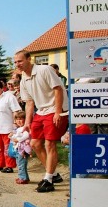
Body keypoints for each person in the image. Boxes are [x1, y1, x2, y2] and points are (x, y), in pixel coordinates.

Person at [14, 50, 68, 193]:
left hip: (56, 109)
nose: (17, 64)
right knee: (34, 143)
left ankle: (48, 179)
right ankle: (54, 174)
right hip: (41, 111)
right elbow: (30, 102)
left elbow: (58, 90)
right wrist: (27, 122)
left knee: (49, 143)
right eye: (15, 62)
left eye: (20, 61)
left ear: (29, 59)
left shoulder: (45, 69)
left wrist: (58, 112)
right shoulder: (23, 79)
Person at [10, 111, 31, 184]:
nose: (19, 121)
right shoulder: (18, 128)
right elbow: (16, 135)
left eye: (21, 119)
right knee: (20, 163)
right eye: (17, 119)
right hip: (18, 149)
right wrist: (12, 137)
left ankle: (22, 178)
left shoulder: (24, 128)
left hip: (23, 150)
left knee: (21, 164)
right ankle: (25, 177)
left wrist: (18, 140)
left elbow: (26, 135)